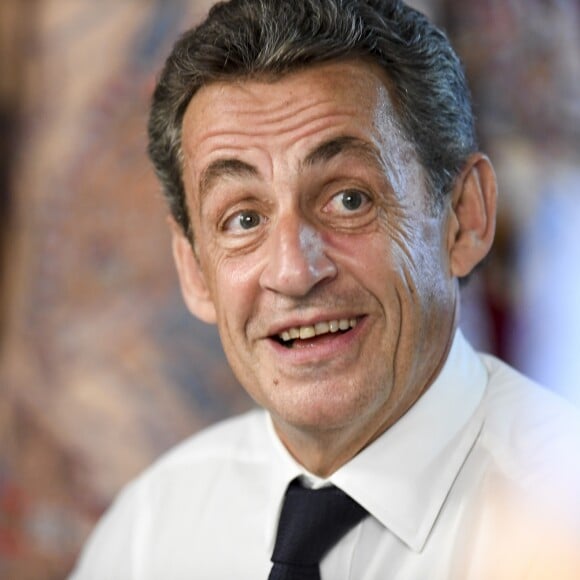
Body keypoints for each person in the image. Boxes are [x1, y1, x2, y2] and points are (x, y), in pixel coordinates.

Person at [70, 1, 580, 578]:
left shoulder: (561, 521)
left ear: (464, 218)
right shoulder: (150, 530)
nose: (293, 271)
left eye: (349, 200)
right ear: (192, 269)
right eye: (243, 219)